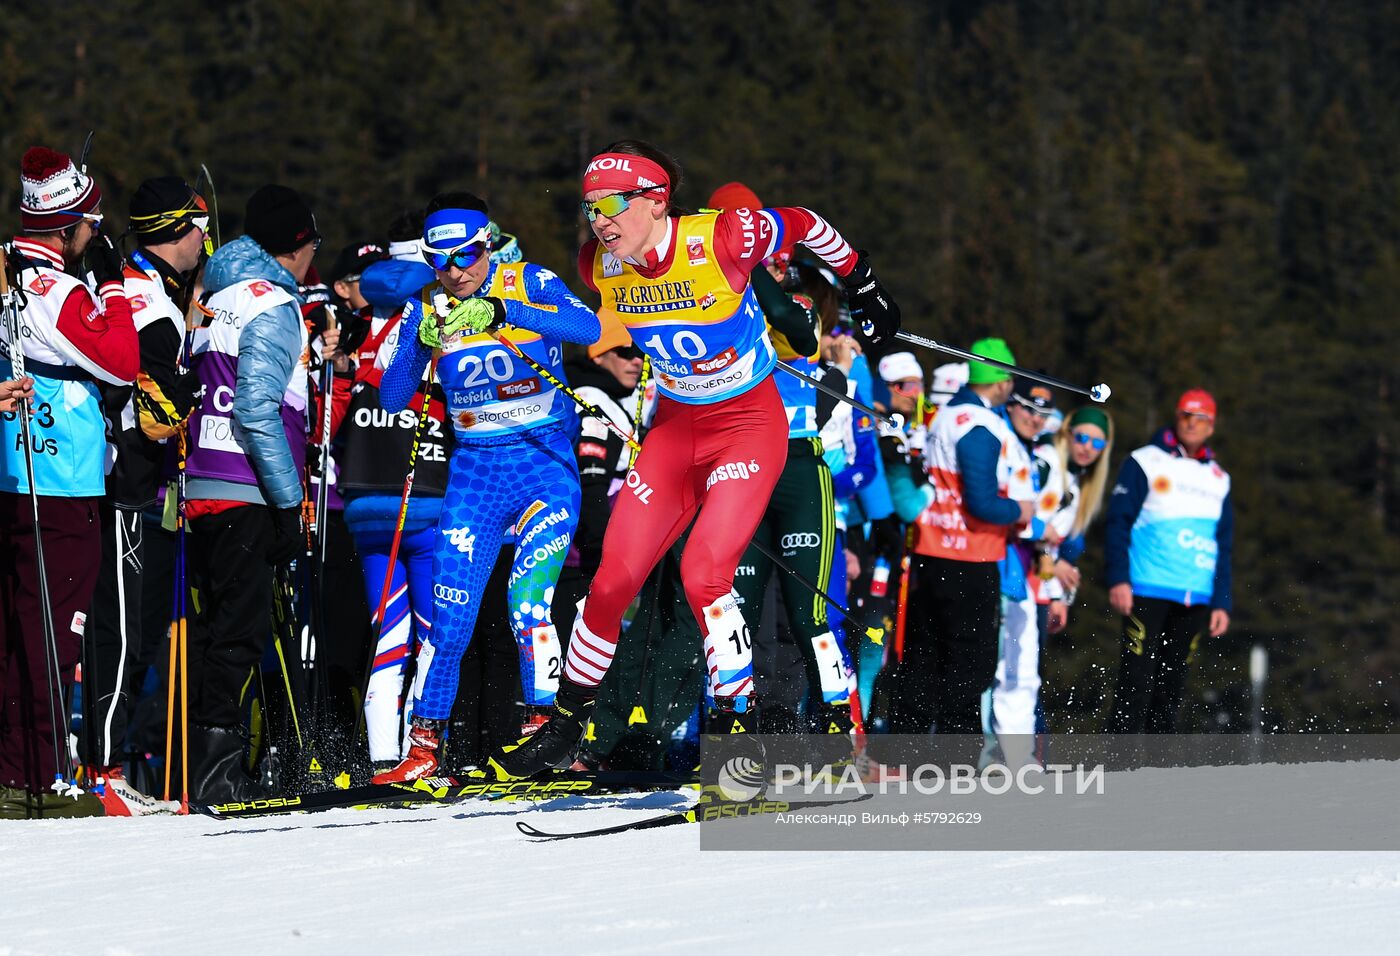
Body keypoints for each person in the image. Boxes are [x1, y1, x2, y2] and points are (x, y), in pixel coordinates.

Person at [489, 139, 900, 778]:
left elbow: (806, 224)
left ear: (655, 200)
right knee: (611, 580)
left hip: (747, 425)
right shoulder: (600, 262)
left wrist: (864, 282)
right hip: (677, 431)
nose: (599, 219)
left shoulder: (726, 237)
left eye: (612, 204)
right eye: (589, 205)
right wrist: (499, 310)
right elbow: (587, 328)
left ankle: (740, 733)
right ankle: (570, 719)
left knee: (705, 572)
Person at [371, 192, 601, 783]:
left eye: (467, 257)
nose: (457, 273)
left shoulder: (528, 280)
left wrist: (504, 314)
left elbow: (587, 325)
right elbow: (393, 399)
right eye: (441, 262)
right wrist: (419, 342)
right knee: (450, 621)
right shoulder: (428, 306)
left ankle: (545, 737)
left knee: (529, 605)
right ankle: (424, 751)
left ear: (488, 244)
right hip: (475, 475)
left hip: (543, 467)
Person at [181, 184, 339, 802]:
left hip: (207, 483)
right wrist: (284, 500)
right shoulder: (273, 305)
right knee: (240, 632)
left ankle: (223, 762)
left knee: (223, 627)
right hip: (246, 486)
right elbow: (255, 408)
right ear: (298, 245)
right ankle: (220, 774)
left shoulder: (216, 293)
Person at [0, 147, 137, 818]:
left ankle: (16, 771)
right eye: (92, 224)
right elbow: (120, 362)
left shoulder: (4, 269)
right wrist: (111, 286)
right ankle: (46, 777)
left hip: (17, 470)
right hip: (62, 479)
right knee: (56, 630)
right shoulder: (57, 288)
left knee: (18, 626)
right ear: (70, 227)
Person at [84, 176, 208, 812]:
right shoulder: (147, 303)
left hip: (135, 485)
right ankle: (101, 771)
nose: (206, 239)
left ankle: (105, 767)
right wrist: (202, 374)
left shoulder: (149, 290)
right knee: (127, 633)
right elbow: (157, 407)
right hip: (131, 487)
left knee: (136, 628)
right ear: (177, 230)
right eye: (201, 226)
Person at [336, 233, 448, 771]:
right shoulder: (434, 322)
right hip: (422, 497)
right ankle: (418, 758)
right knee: (430, 635)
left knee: (390, 635)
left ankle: (384, 759)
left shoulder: (363, 326)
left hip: (364, 500)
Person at [890, 338, 1033, 743]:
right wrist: (1019, 511)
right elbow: (983, 503)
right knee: (968, 662)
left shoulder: (945, 415)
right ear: (1002, 381)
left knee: (925, 654)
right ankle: (956, 756)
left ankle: (908, 746)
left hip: (932, 552)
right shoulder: (981, 426)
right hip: (968, 557)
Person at [1105, 389, 1232, 734]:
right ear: (1175, 418)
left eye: (1200, 417)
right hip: (1146, 587)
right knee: (1136, 679)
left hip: (1194, 593)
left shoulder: (1219, 477)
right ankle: (1118, 762)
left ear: (1211, 425)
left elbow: (1223, 543)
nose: (1191, 424)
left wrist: (1222, 600)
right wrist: (1118, 578)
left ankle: (1158, 771)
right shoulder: (1146, 460)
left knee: (1172, 684)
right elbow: (1117, 521)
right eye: (1185, 415)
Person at [984, 378, 1058, 769]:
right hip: (990, 563)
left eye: (1043, 413)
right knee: (993, 666)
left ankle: (1019, 757)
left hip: (1017, 572)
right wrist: (1042, 529)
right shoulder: (998, 437)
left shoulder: (1032, 450)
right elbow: (1000, 503)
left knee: (1021, 667)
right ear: (1010, 404)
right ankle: (990, 754)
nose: (1035, 419)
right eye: (1029, 409)